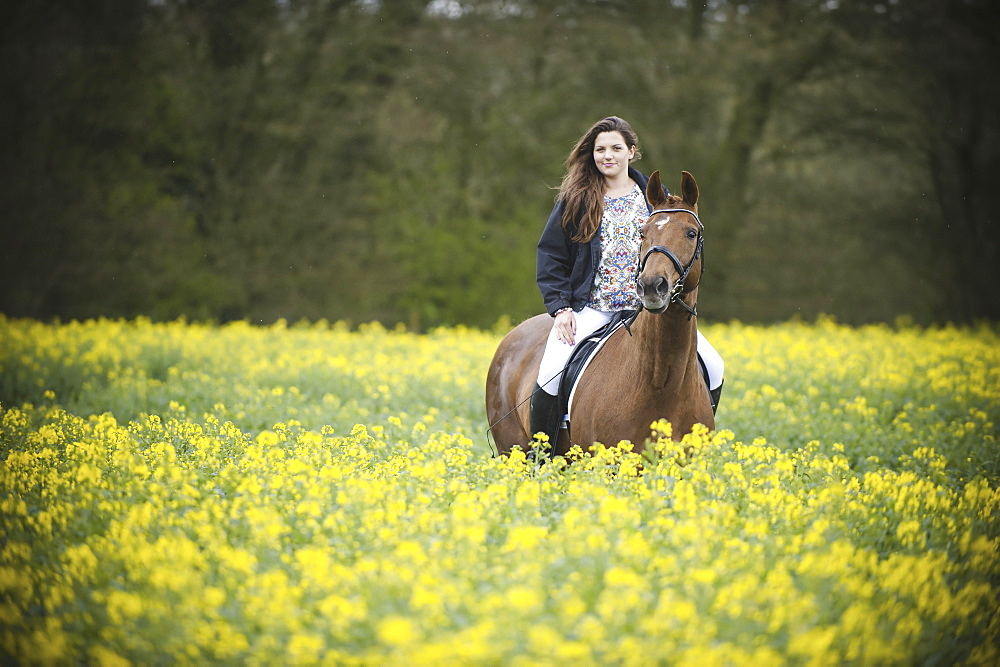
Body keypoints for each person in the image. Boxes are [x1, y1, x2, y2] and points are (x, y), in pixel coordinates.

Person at [531, 116, 724, 445]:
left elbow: (680, 241)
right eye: (600, 149)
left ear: (631, 152)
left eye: (616, 148)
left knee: (714, 366)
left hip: (649, 309)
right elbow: (551, 255)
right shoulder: (577, 199)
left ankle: (692, 438)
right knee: (550, 372)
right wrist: (561, 309)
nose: (608, 155)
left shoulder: (655, 196)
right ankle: (540, 451)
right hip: (593, 308)